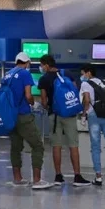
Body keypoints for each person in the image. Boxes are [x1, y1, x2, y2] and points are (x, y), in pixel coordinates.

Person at [38, 55, 90, 187]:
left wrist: (46, 106)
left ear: (46, 65)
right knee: (73, 145)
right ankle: (77, 176)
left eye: (42, 65)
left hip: (54, 116)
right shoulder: (66, 73)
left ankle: (58, 176)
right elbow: (75, 90)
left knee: (57, 146)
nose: (41, 68)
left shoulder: (44, 79)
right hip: (70, 114)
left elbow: (44, 101)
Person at [8, 52, 51, 190]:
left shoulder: (7, 74)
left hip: (10, 116)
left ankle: (17, 178)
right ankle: (37, 180)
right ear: (27, 63)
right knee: (37, 145)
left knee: (15, 147)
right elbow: (28, 95)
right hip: (23, 115)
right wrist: (33, 103)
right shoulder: (25, 74)